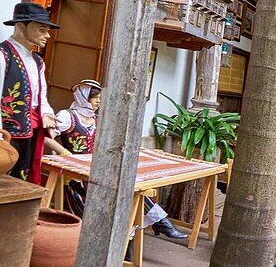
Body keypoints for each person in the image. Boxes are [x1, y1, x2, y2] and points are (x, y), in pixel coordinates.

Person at [45, 79, 187, 242]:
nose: (98, 101)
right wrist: (64, 153)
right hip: (76, 178)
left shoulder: (96, 119)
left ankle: (157, 224)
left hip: (95, 171)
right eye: (94, 97)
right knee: (111, 195)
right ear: (83, 97)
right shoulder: (67, 116)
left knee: (129, 190)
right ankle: (155, 226)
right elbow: (47, 138)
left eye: (100, 97)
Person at [0, 2, 58, 184]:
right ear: (20, 26)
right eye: (41, 29)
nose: (47, 35)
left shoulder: (38, 61)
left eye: (47, 30)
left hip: (30, 132)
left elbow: (40, 95)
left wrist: (47, 113)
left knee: (21, 181)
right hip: (5, 133)